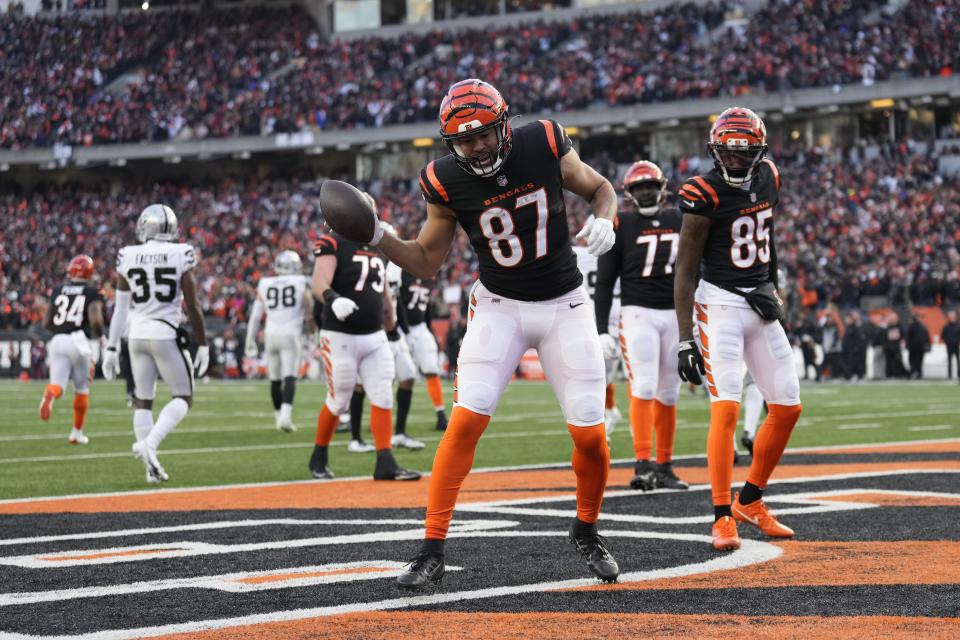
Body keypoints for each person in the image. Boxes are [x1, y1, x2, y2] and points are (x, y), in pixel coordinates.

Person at [362, 79, 620, 588]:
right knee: (465, 423)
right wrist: (378, 236)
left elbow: (600, 189)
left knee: (591, 437)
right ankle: (431, 549)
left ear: (505, 123)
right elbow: (427, 260)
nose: (477, 146)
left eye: (485, 134)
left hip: (565, 303)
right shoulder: (442, 180)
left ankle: (586, 530)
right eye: (464, 139)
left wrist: (606, 218)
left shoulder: (542, 140)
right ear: (449, 143)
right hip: (499, 306)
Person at [674, 107, 802, 551]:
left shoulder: (769, 176)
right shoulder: (702, 193)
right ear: (715, 150)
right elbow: (685, 269)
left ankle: (751, 500)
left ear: (759, 152)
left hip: (759, 302)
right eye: (727, 152)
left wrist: (773, 285)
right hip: (720, 304)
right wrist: (685, 337)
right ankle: (721, 515)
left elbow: (769, 239)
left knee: (786, 406)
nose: (735, 160)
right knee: (726, 408)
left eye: (743, 152)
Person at [594, 160, 685, 490]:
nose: (645, 192)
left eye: (650, 186)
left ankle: (665, 465)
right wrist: (602, 328)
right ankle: (643, 463)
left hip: (676, 314)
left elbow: (697, 268)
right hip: (638, 313)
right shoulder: (622, 224)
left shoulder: (680, 218)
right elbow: (604, 282)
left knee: (670, 392)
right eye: (639, 188)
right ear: (630, 194)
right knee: (645, 386)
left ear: (662, 189)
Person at [101, 204, 209, 483]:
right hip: (165, 332)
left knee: (143, 400)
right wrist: (203, 343)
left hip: (135, 335)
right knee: (183, 397)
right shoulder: (180, 252)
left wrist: (112, 347)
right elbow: (193, 305)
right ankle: (150, 445)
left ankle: (150, 469)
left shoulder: (128, 255)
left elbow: (121, 310)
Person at [307, 230, 421, 482]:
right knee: (339, 399)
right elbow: (318, 283)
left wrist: (391, 322)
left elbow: (383, 293)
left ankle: (385, 460)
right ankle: (319, 455)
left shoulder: (374, 246)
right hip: (340, 335)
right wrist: (333, 298)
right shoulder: (333, 241)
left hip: (375, 334)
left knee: (382, 393)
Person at [244, 250, 313, 432]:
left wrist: (249, 339)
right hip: (291, 334)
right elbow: (308, 309)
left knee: (274, 379)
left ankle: (277, 418)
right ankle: (285, 416)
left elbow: (255, 316)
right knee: (289, 376)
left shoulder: (265, 283)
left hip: (270, 334)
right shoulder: (301, 282)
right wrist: (314, 333)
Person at [39, 254, 105, 444]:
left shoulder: (58, 290)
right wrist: (99, 336)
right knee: (82, 389)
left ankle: (50, 393)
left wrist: (61, 330)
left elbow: (47, 322)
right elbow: (96, 319)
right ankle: (76, 433)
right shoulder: (92, 292)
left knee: (58, 385)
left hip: (58, 340)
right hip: (78, 340)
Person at [574, 230, 623, 443]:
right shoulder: (618, 252)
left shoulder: (579, 254)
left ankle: (602, 420)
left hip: (597, 316)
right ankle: (606, 415)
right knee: (601, 376)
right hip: (619, 317)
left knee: (595, 376)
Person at [906, 315, 930, 379]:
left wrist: (927, 345)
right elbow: (908, 337)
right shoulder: (912, 327)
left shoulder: (922, 327)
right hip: (913, 348)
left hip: (920, 348)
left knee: (918, 362)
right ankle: (914, 373)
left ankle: (918, 374)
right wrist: (908, 346)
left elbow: (926, 337)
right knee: (913, 361)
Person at [943, 310, 959, 380]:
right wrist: (947, 342)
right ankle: (949, 375)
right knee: (949, 361)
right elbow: (943, 336)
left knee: (958, 361)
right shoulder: (946, 327)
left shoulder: (958, 326)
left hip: (956, 345)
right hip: (949, 346)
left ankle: (958, 374)